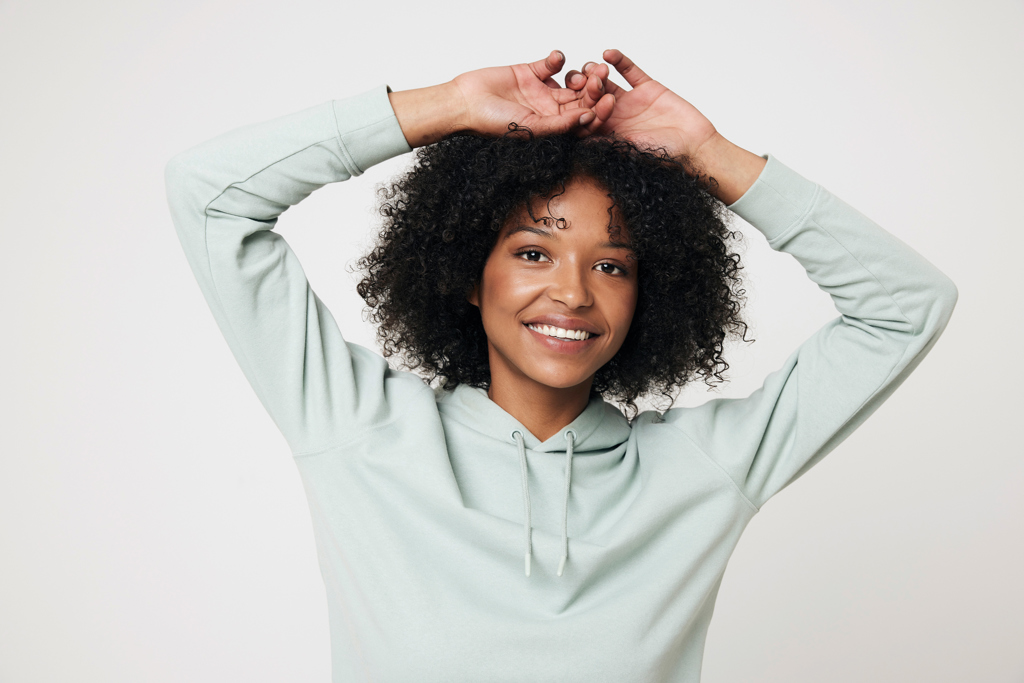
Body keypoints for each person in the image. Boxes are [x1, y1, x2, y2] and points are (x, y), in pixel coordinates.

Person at [164, 49, 957, 682]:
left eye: (611, 265)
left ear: (648, 294)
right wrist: (447, 106)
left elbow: (908, 304)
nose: (573, 292)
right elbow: (208, 195)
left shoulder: (703, 468)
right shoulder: (361, 431)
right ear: (469, 272)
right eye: (533, 252)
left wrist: (707, 155)